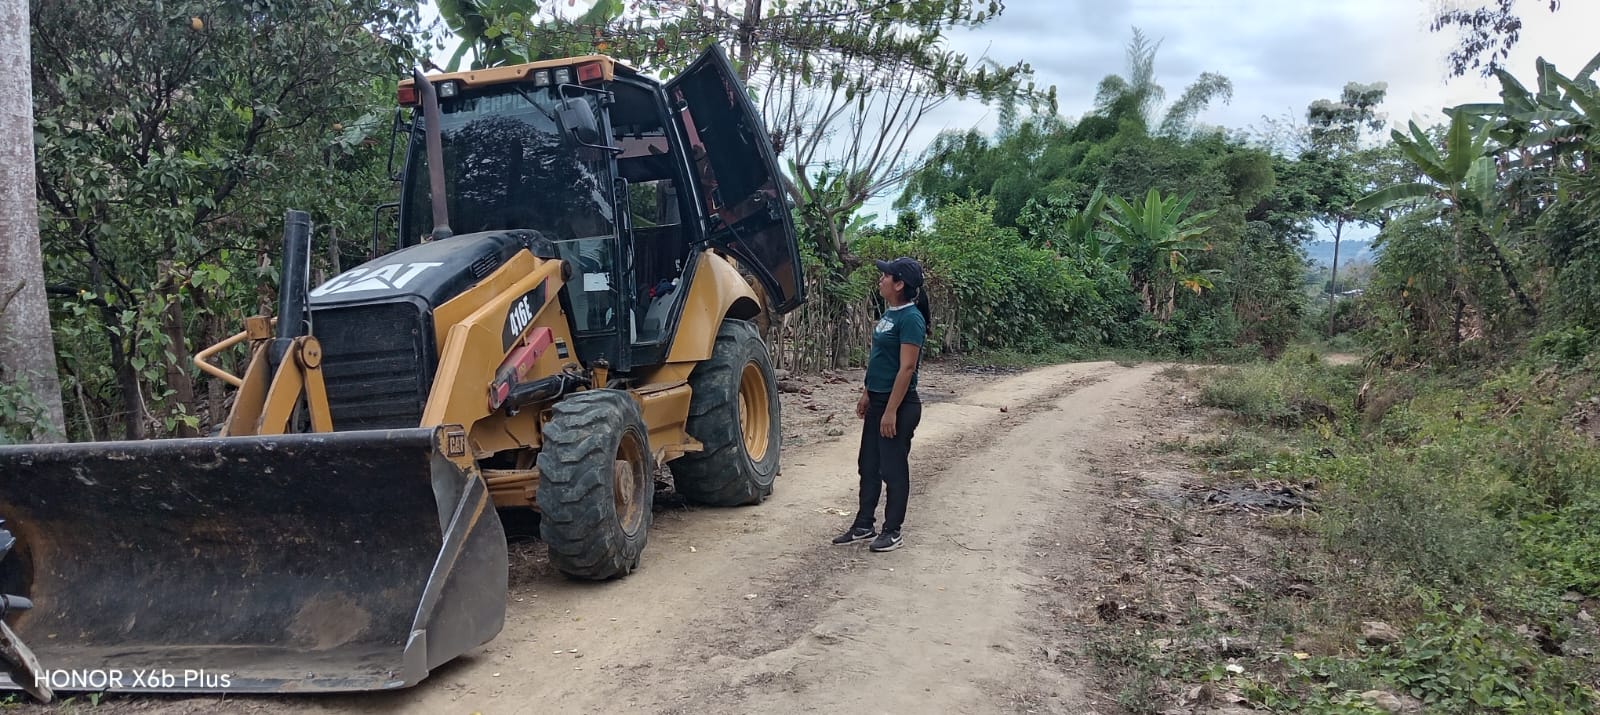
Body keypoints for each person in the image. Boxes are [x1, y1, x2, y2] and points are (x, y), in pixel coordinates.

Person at [832, 257, 930, 553]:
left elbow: (907, 368)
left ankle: (892, 530)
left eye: (886, 275)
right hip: (878, 400)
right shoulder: (890, 314)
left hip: (898, 405)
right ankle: (864, 524)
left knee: (893, 468)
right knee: (869, 465)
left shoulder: (911, 319)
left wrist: (890, 411)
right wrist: (867, 393)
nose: (881, 279)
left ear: (899, 284)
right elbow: (879, 360)